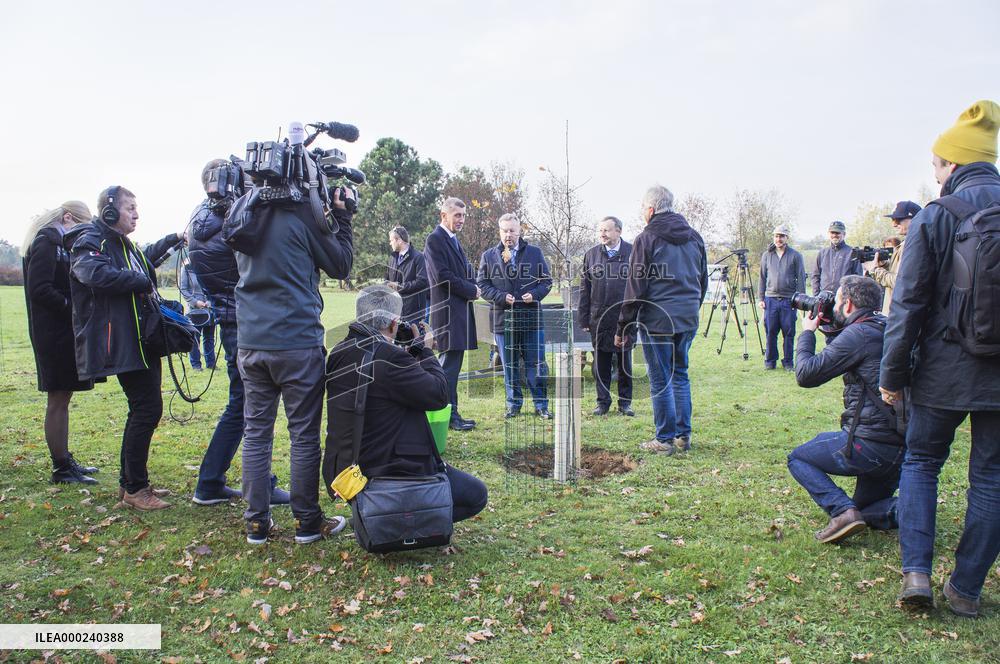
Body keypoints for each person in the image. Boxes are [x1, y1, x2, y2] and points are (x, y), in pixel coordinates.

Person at [880, 99, 1000, 617]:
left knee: (923, 462)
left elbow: (906, 304)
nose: (933, 174)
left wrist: (892, 374)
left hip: (942, 371)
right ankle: (966, 589)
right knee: (992, 479)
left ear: (953, 163)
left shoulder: (937, 215)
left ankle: (917, 575)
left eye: (935, 165)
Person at [233, 181, 355, 545]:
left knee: (256, 433)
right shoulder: (302, 215)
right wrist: (343, 216)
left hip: (251, 340)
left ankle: (256, 523)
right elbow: (341, 264)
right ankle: (306, 521)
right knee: (303, 435)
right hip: (296, 341)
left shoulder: (243, 210)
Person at [322, 285, 488, 525]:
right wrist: (426, 351)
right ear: (393, 324)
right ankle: (400, 522)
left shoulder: (340, 351)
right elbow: (439, 395)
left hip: (348, 470)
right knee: (476, 495)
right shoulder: (390, 358)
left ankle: (382, 512)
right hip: (388, 468)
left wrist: (406, 352)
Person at [66, 186, 183, 510]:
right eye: (130, 208)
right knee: (146, 409)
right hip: (121, 340)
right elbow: (93, 273)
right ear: (109, 211)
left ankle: (130, 482)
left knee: (143, 408)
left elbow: (146, 260)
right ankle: (135, 489)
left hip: (138, 339)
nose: (136, 214)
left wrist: (174, 238)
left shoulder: (123, 244)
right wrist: (139, 281)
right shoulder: (91, 240)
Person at [185, 160, 288, 507]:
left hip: (230, 318)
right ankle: (252, 483)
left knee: (242, 403)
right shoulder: (230, 222)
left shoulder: (202, 219)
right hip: (246, 319)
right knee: (252, 405)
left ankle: (211, 481)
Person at [788, 275, 903, 543]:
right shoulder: (886, 326)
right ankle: (907, 509)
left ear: (848, 304)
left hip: (869, 445)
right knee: (865, 509)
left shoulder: (858, 334)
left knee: (799, 458)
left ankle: (841, 511)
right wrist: (833, 325)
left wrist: (808, 332)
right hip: (899, 448)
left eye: (837, 300)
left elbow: (806, 374)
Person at [617, 185, 708, 455]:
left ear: (651, 209)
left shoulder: (646, 239)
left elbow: (635, 288)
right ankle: (683, 435)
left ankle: (664, 439)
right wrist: (692, 307)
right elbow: (702, 280)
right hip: (687, 317)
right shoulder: (694, 237)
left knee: (660, 379)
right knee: (680, 375)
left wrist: (623, 325)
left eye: (642, 208)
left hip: (657, 320)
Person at [22, 201, 99, 484]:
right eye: (81, 227)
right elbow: (39, 288)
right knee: (57, 398)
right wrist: (72, 308)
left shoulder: (57, 243)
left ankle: (65, 459)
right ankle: (61, 467)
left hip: (62, 332)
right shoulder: (46, 242)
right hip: (52, 334)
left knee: (63, 397)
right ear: (68, 218)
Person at [477, 214, 553, 418]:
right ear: (499, 231)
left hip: (531, 320)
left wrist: (535, 295)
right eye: (504, 231)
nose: (508, 235)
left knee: (535, 364)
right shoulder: (489, 256)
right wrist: (501, 297)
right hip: (503, 320)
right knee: (509, 366)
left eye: (512, 230)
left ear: (520, 231)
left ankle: (541, 405)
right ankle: (513, 404)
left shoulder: (535, 253)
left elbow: (546, 281)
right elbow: (482, 284)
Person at [424, 197, 480, 432]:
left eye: (463, 215)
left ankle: (451, 413)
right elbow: (442, 276)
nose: (461, 220)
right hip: (448, 315)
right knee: (447, 370)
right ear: (443, 215)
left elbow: (463, 271)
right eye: (457, 215)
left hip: (458, 314)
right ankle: (448, 416)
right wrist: (470, 290)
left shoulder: (453, 240)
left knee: (452, 369)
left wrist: (475, 284)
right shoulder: (435, 240)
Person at [579, 215, 634, 416]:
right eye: (600, 230)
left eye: (607, 230)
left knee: (624, 364)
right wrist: (584, 317)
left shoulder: (633, 253)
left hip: (625, 318)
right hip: (599, 318)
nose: (602, 234)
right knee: (600, 363)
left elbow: (639, 286)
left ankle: (625, 403)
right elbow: (585, 288)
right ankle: (602, 403)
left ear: (618, 231)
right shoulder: (591, 255)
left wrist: (636, 315)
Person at [758, 225, 808, 370]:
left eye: (781, 236)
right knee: (770, 332)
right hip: (770, 300)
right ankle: (770, 362)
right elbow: (762, 277)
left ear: (787, 238)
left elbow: (801, 278)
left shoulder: (796, 256)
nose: (778, 239)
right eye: (776, 236)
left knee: (789, 332)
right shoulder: (767, 255)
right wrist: (761, 298)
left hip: (788, 300)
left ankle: (788, 362)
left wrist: (801, 301)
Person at [863, 201, 921, 315]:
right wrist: (885, 265)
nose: (894, 224)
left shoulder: (914, 245)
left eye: (898, 220)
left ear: (914, 219)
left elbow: (901, 282)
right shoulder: (908, 243)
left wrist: (875, 270)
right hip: (898, 312)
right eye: (893, 220)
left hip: (902, 313)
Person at [178, 259, 216, 371]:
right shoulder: (186, 268)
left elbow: (214, 287)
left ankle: (211, 364)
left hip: (209, 310)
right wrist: (195, 302)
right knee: (195, 338)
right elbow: (183, 289)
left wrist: (210, 301)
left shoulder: (209, 266)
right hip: (194, 311)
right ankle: (196, 365)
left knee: (209, 337)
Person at [385, 226, 428, 324]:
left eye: (391, 240)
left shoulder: (418, 257)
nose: (390, 243)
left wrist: (399, 287)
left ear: (399, 240)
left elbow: (422, 282)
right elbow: (387, 278)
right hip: (395, 312)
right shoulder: (392, 258)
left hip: (413, 313)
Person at [811, 220, 861, 295]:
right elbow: (815, 276)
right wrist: (816, 295)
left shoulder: (853, 253)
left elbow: (857, 279)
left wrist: (851, 297)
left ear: (844, 234)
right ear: (829, 234)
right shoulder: (822, 253)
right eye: (832, 232)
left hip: (844, 297)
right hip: (823, 297)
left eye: (837, 233)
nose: (834, 235)